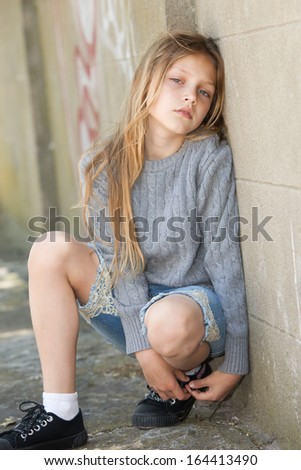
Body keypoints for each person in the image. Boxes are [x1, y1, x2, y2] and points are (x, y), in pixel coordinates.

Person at [0, 31, 249, 450]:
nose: (190, 97)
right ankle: (61, 413)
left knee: (167, 322)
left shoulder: (209, 157)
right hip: (137, 311)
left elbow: (225, 259)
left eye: (204, 92)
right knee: (50, 248)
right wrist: (146, 356)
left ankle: (189, 369)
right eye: (178, 81)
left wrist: (237, 360)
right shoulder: (102, 165)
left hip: (192, 312)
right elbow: (122, 265)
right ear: (147, 81)